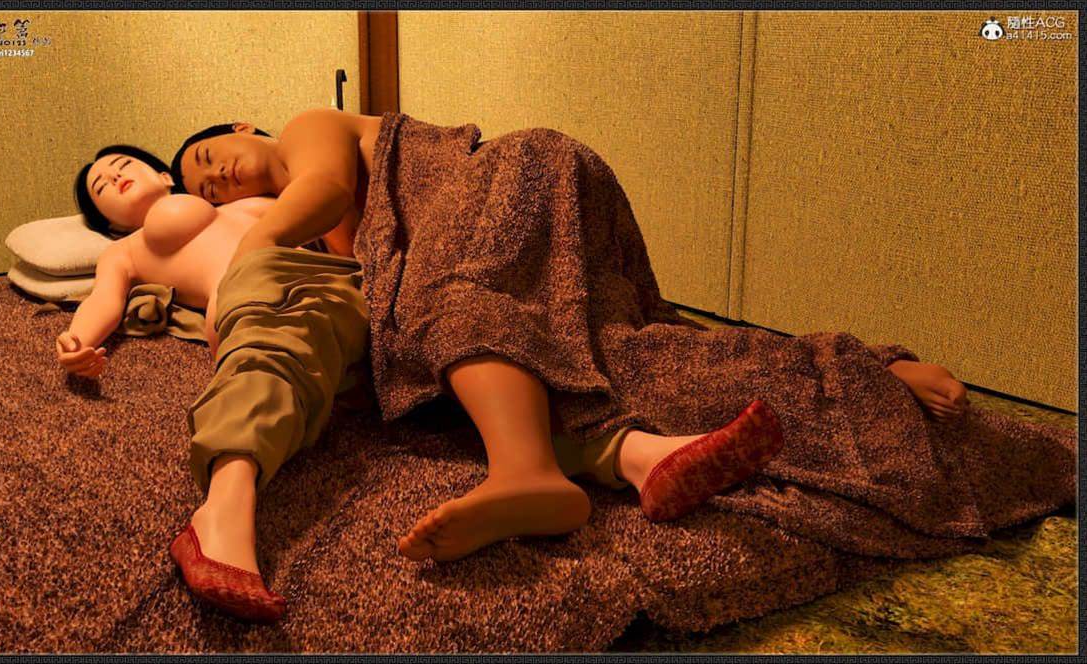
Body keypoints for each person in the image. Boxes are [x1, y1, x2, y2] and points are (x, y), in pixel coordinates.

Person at [172, 109, 947, 566]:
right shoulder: (329, 246)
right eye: (206, 188)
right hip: (534, 217)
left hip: (515, 173)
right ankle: (867, 375)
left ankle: (524, 473)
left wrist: (248, 258)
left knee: (450, 302)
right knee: (629, 364)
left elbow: (325, 186)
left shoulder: (307, 131)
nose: (219, 179)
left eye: (211, 157)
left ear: (243, 126)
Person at [60, 145, 371, 622]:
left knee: (348, 347)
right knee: (273, 356)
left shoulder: (242, 204)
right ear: (110, 223)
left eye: (123, 165)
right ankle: (223, 508)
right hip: (246, 294)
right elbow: (104, 300)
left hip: (325, 280)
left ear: (166, 175)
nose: (115, 177)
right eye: (102, 188)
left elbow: (321, 209)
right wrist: (77, 340)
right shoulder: (124, 250)